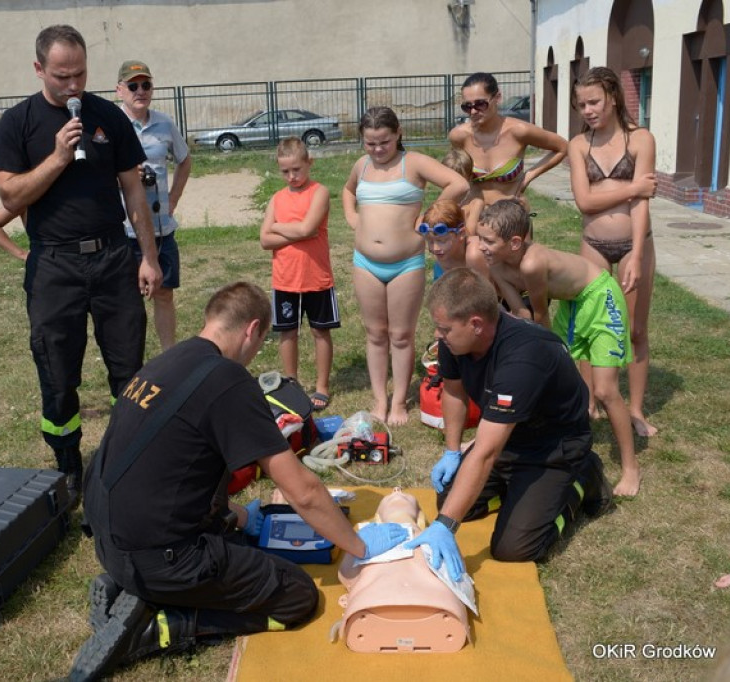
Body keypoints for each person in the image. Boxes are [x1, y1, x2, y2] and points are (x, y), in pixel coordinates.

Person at [70, 282, 407, 680]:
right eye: (260, 342)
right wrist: (359, 546)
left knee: (239, 541)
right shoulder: (228, 381)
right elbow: (304, 490)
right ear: (252, 330)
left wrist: (240, 518)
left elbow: (173, 464)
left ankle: (141, 587)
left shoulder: (167, 361)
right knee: (296, 597)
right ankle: (161, 626)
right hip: (158, 556)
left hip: (111, 541)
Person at [0, 25, 162, 500]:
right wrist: (58, 157)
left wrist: (147, 256)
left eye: (80, 74)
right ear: (39, 69)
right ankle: (68, 463)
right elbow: (10, 192)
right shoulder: (18, 122)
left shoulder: (109, 116)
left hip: (112, 258)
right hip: (53, 265)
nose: (73, 86)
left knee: (128, 368)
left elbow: (133, 191)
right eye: (62, 75)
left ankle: (126, 457)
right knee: (57, 372)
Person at [409, 268, 612, 579]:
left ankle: (584, 477)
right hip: (510, 437)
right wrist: (451, 451)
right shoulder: (455, 341)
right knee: (448, 499)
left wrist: (447, 526)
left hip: (552, 451)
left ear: (475, 324)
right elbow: (453, 390)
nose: (439, 335)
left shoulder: (524, 357)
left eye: (444, 328)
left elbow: (487, 452)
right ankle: (515, 492)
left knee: (514, 548)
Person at [475, 200, 640, 496]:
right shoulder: (495, 264)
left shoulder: (531, 263)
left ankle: (631, 468)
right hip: (573, 302)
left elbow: (540, 315)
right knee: (557, 376)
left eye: (488, 240)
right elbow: (520, 311)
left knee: (605, 390)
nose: (480, 246)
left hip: (600, 295)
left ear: (514, 242)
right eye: (479, 238)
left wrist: (545, 356)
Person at [342, 106, 469, 425]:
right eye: (369, 143)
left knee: (400, 334)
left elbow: (458, 185)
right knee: (374, 332)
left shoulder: (412, 163)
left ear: (398, 133)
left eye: (383, 141)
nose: (377, 149)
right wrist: (352, 216)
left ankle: (399, 401)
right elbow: (347, 190)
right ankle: (379, 399)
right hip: (365, 262)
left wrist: (427, 216)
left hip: (405, 264)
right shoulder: (362, 165)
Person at [569, 66, 659, 437]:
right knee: (590, 328)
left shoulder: (640, 140)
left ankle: (635, 410)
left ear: (613, 98)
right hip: (594, 245)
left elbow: (643, 204)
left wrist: (636, 254)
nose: (588, 110)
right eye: (581, 104)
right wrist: (633, 186)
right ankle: (589, 402)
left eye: (594, 102)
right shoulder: (578, 145)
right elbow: (585, 202)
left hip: (635, 242)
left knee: (635, 329)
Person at [116, 59, 193, 352]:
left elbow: (184, 160)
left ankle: (168, 355)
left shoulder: (164, 122)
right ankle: (130, 361)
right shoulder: (113, 124)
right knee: (128, 302)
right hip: (126, 229)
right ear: (119, 89)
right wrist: (121, 175)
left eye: (145, 85)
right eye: (133, 85)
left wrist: (173, 198)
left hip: (162, 227)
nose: (140, 91)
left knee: (164, 295)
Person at [260, 137, 338, 410]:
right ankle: (291, 383)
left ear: (309, 163)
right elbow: (265, 239)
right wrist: (293, 228)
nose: (292, 176)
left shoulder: (320, 192)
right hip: (285, 279)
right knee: (287, 333)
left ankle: (321, 387)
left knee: (320, 332)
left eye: (297, 169)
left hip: (316, 278)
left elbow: (309, 229)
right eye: (285, 171)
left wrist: (279, 227)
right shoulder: (276, 199)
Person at [449, 72, 568, 216]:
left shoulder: (518, 131)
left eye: (480, 104)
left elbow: (562, 147)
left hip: (511, 217)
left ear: (497, 98)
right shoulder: (459, 136)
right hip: (473, 216)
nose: (473, 111)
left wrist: (528, 177)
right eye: (467, 106)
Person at [417, 198, 488, 278]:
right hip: (459, 243)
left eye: (442, 241)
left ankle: (476, 205)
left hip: (466, 242)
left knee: (470, 232)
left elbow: (486, 289)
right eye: (430, 241)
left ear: (461, 233)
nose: (435, 248)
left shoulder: (474, 255)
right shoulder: (442, 252)